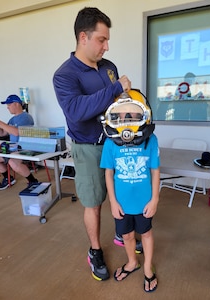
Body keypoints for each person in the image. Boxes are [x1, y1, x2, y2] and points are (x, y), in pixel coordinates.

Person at [53, 7, 131, 281]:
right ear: (83, 37)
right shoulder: (64, 75)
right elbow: (76, 110)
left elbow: (118, 101)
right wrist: (114, 89)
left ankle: (123, 232)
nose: (107, 46)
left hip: (116, 141)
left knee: (122, 192)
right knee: (94, 202)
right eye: (101, 40)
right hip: (87, 147)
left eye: (107, 40)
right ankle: (95, 250)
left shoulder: (109, 68)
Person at [100, 90, 160, 292]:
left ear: (143, 114)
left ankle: (148, 268)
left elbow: (155, 171)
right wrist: (113, 202)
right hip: (122, 202)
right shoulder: (110, 142)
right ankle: (132, 262)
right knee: (126, 236)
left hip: (144, 201)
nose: (127, 118)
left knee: (146, 234)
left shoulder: (151, 140)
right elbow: (109, 174)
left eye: (133, 113)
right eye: (123, 113)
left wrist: (155, 200)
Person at [0, 95, 38, 190]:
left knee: (13, 162)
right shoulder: (12, 119)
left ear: (16, 104)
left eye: (9, 104)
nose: (7, 107)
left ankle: (33, 181)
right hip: (12, 148)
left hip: (24, 148)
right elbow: (3, 133)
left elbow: (16, 132)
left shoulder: (26, 117)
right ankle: (8, 179)